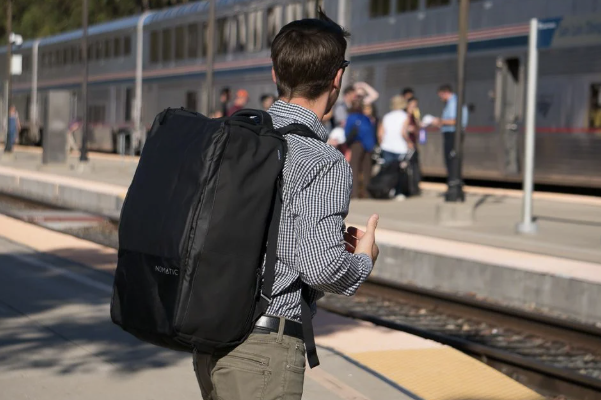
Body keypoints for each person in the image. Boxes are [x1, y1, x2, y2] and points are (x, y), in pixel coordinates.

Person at [192, 10, 379, 400]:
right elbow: (321, 268)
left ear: (276, 74)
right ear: (337, 78)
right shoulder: (322, 161)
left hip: (210, 337)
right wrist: (363, 259)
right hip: (263, 352)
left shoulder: (232, 139)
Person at [433, 84, 468, 181]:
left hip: (453, 134)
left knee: (451, 159)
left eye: (440, 96)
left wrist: (440, 121)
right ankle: (454, 181)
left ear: (445, 93)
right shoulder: (453, 102)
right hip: (452, 133)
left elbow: (455, 120)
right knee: (453, 159)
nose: (440, 99)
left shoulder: (453, 103)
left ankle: (453, 182)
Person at [378, 95, 409, 199]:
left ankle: (387, 190)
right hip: (401, 147)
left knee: (388, 170)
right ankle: (398, 192)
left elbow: (380, 133)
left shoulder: (387, 116)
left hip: (387, 147)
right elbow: (404, 132)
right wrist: (409, 142)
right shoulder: (405, 116)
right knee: (400, 171)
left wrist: (382, 143)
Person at [346, 100, 376, 199]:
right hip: (368, 145)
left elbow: (347, 132)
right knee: (367, 169)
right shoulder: (367, 118)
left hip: (356, 144)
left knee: (354, 168)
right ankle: (367, 193)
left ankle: (354, 193)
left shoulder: (351, 117)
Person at [406, 97, 422, 195]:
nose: (414, 108)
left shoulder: (414, 116)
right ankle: (410, 188)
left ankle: (415, 188)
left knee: (415, 166)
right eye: (412, 106)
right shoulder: (405, 116)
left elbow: (418, 129)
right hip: (407, 144)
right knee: (408, 168)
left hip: (414, 143)